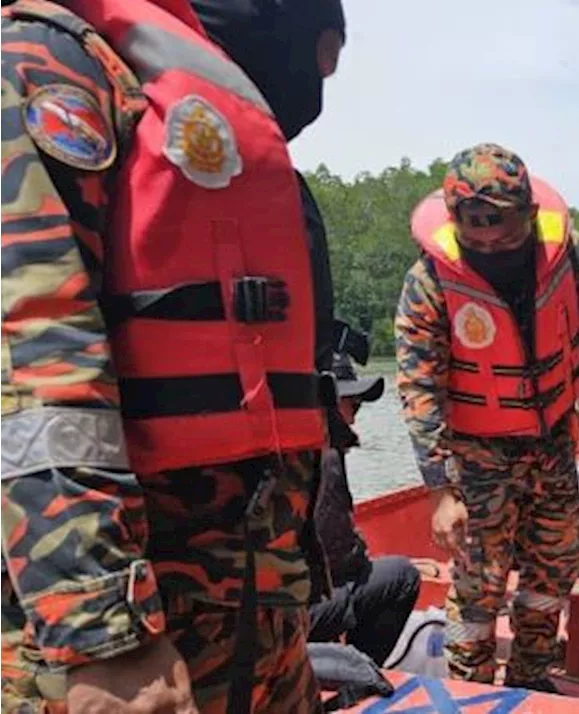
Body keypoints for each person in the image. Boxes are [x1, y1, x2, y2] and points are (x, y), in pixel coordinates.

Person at [0, 0, 346, 712]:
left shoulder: (187, 101)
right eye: (325, 56)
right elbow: (33, 355)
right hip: (120, 641)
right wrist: (105, 632)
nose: (322, 78)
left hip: (253, 618)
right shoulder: (47, 60)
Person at [395, 143, 579, 692]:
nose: (491, 242)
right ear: (456, 221)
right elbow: (419, 390)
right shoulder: (429, 282)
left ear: (528, 214)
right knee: (479, 584)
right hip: (476, 455)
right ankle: (472, 689)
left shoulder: (575, 258)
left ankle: (532, 676)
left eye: (504, 230)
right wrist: (440, 493)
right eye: (476, 232)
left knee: (554, 568)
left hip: (553, 445)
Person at [308, 352, 421, 666]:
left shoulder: (289, 450)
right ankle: (357, 670)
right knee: (402, 576)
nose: (354, 418)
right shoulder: (326, 456)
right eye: (352, 406)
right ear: (329, 402)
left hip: (271, 610)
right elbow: (339, 557)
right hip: (300, 616)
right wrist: (361, 554)